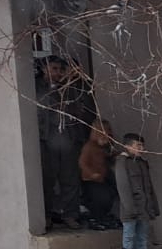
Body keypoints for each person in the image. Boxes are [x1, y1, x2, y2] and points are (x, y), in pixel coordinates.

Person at [38, 56, 97, 229]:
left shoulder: (72, 88)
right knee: (47, 181)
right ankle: (46, 215)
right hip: (47, 143)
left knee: (70, 180)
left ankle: (71, 215)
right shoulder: (36, 88)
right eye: (54, 69)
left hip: (70, 142)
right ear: (44, 69)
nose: (57, 73)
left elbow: (84, 109)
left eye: (60, 69)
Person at [112, 132, 159, 249]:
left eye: (142, 145)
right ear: (127, 146)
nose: (141, 148)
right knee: (129, 235)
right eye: (138, 145)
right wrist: (130, 208)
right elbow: (123, 188)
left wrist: (154, 206)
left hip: (144, 207)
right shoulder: (123, 162)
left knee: (142, 236)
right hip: (131, 208)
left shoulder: (142, 163)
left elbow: (149, 187)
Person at [78, 121, 118, 230]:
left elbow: (108, 155)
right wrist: (91, 174)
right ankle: (95, 219)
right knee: (100, 198)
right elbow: (82, 163)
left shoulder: (103, 147)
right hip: (90, 179)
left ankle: (103, 217)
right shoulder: (89, 147)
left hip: (102, 178)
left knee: (110, 195)